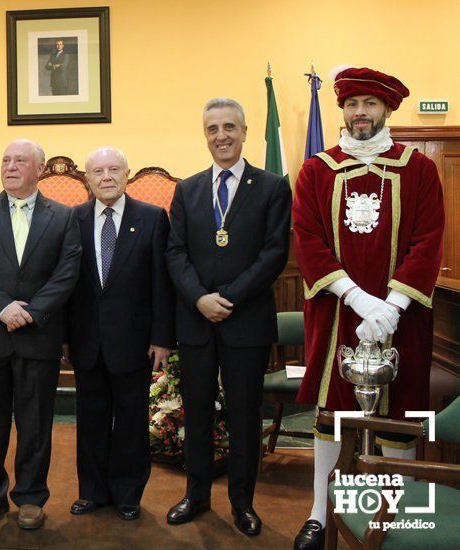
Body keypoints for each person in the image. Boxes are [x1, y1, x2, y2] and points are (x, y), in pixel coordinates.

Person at [291, 68, 445, 550]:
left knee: (397, 414)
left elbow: (428, 241)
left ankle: (387, 515)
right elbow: (309, 241)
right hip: (337, 314)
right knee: (330, 414)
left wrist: (393, 308)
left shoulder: (418, 169)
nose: (360, 113)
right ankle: (319, 512)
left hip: (403, 317)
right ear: (342, 110)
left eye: (370, 104)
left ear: (388, 110)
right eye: (352, 103)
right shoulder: (317, 169)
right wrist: (357, 299)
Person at [165, 98, 292, 536]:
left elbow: (274, 253)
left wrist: (228, 298)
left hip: (246, 323)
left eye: (229, 127)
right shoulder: (188, 189)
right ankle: (196, 496)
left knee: (242, 418)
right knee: (196, 415)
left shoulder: (273, 186)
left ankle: (243, 504)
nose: (221, 136)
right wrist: (201, 298)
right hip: (196, 323)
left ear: (244, 131)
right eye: (213, 129)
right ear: (205, 135)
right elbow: (175, 252)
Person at [0, 139, 81, 530]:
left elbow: (67, 272)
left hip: (38, 335)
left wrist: (32, 311)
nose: (10, 166)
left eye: (20, 161)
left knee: (35, 422)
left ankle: (30, 497)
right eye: (6, 159)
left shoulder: (63, 217)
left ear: (40, 168)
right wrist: (3, 307)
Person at [65, 146, 175, 521]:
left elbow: (163, 283)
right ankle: (92, 492)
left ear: (128, 174)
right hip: (87, 341)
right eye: (98, 171)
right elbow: (67, 284)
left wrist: (162, 337)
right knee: (90, 420)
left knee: (130, 421)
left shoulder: (153, 217)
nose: (107, 177)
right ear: (87, 178)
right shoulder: (72, 219)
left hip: (135, 341)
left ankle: (128, 493)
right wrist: (64, 337)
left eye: (114, 169)